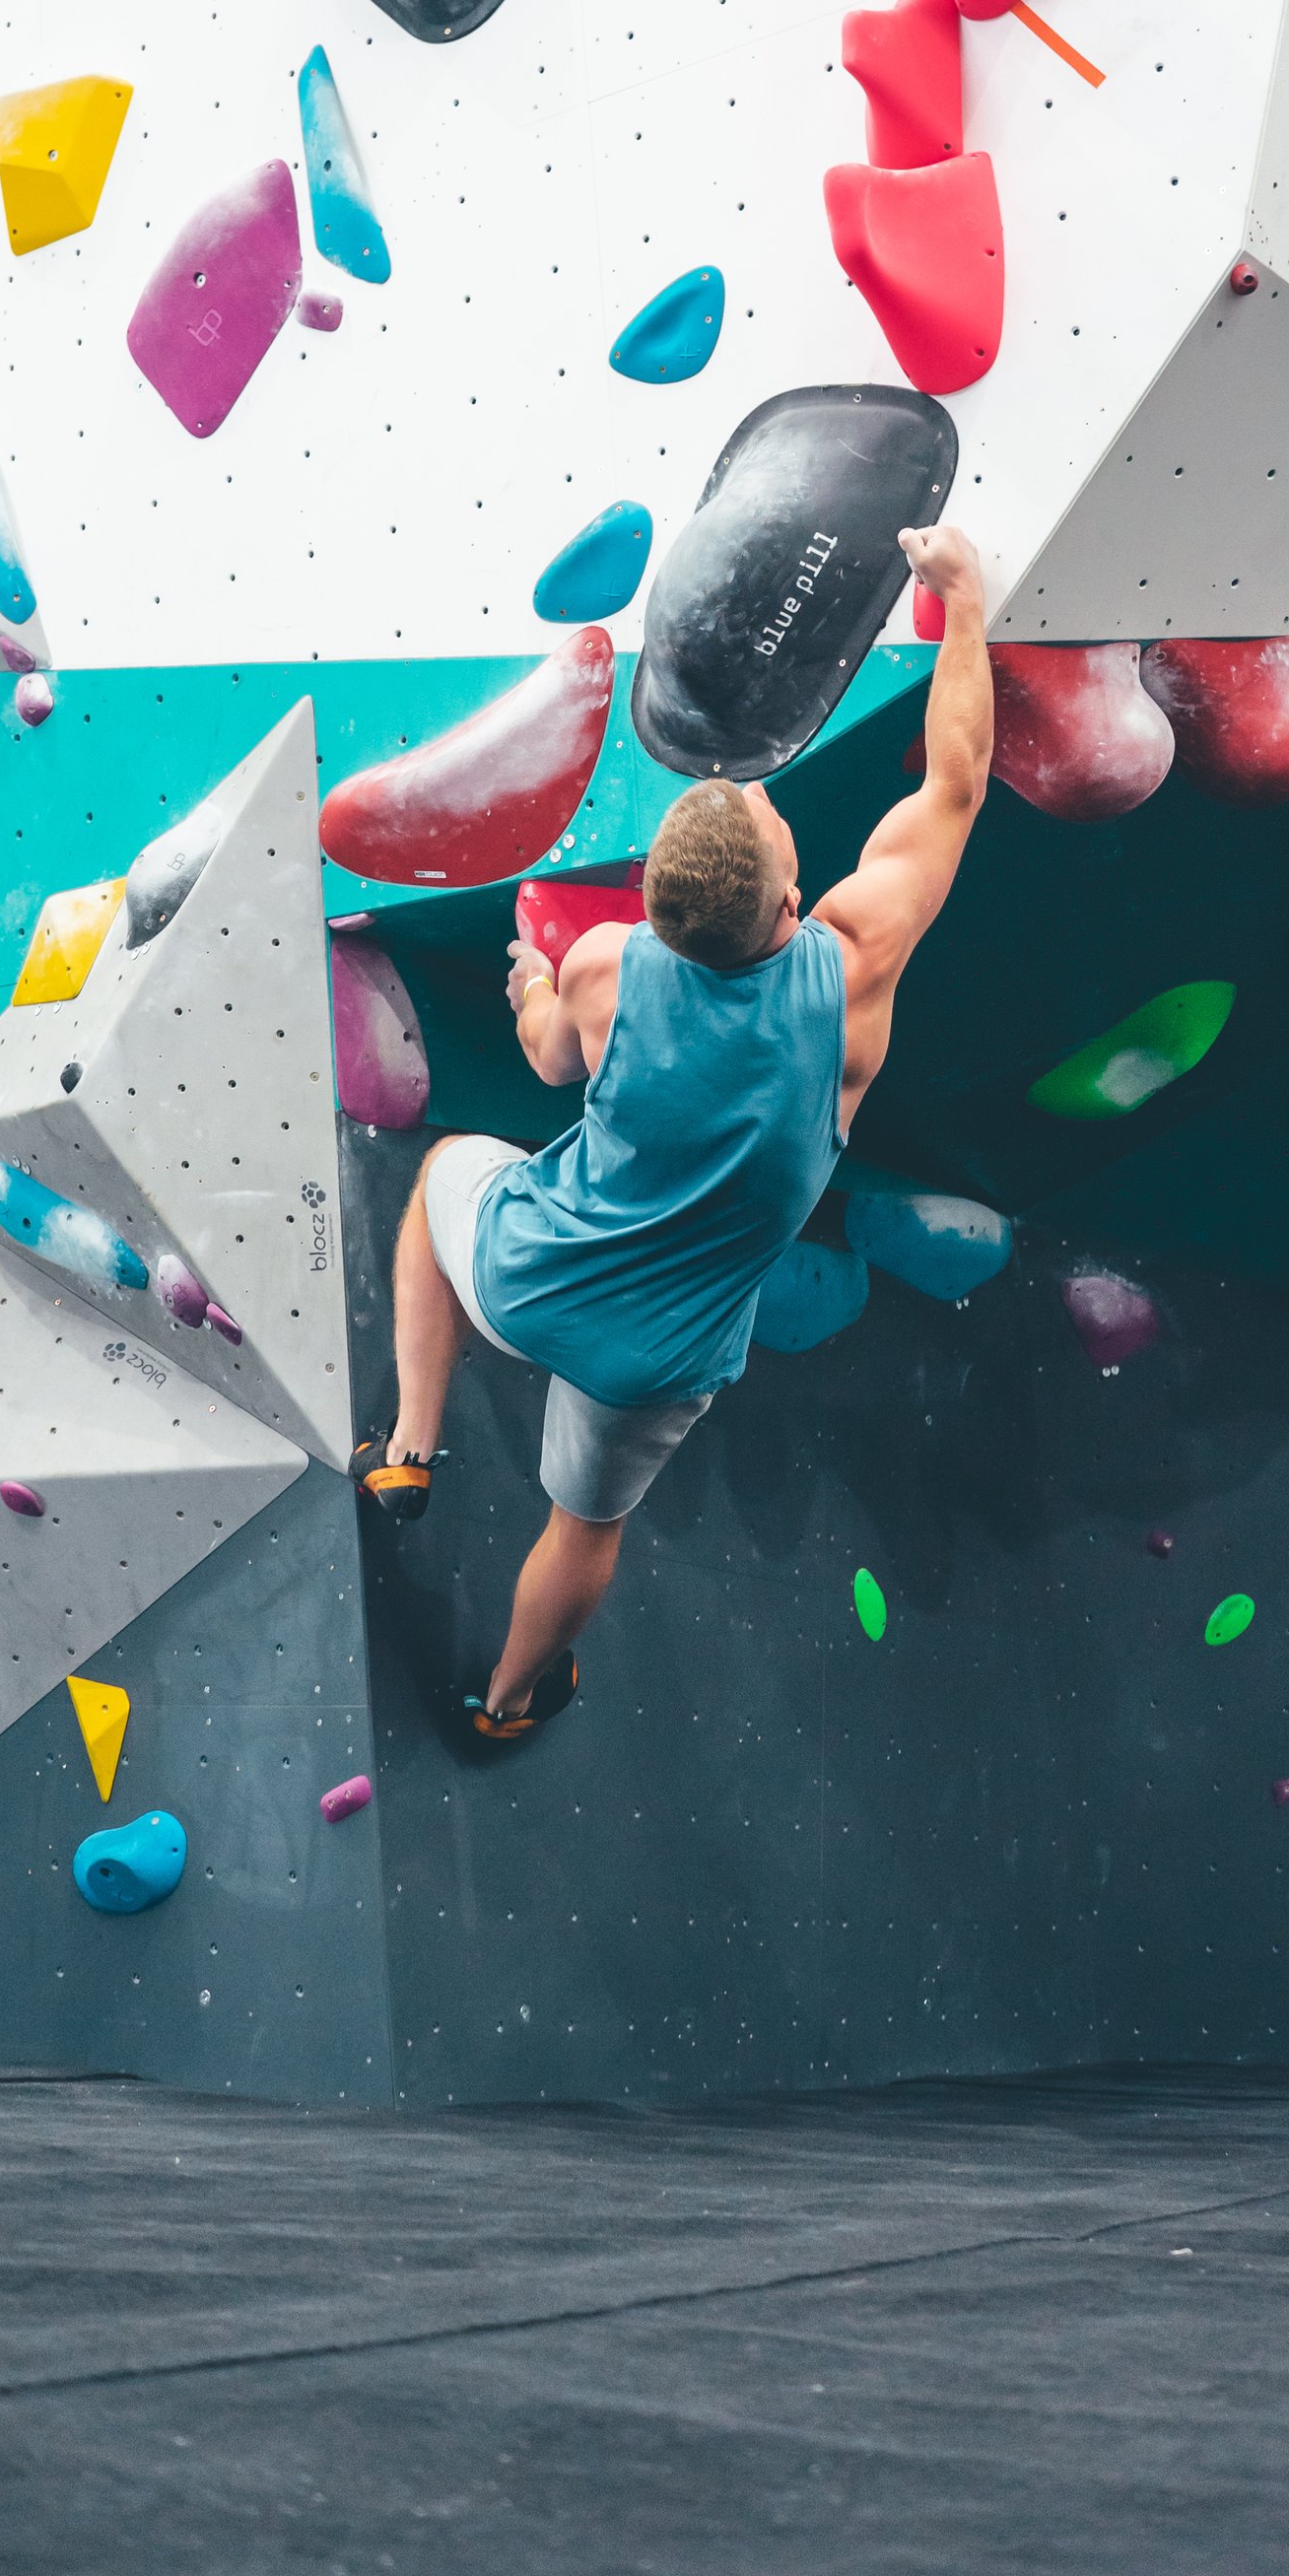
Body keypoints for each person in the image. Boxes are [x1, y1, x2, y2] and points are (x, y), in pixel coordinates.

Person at [354, 521, 993, 1741]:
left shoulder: (605, 967)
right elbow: (951, 785)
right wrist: (961, 599)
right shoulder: (851, 974)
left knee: (446, 1172)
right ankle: (505, 1701)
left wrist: (531, 990)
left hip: (526, 1272)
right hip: (652, 1362)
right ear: (793, 895)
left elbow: (545, 1057)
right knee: (585, 1528)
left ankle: (413, 1442)